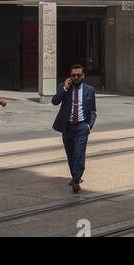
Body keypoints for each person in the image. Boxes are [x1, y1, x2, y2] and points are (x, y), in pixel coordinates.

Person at [52, 63, 97, 193]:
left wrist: (90, 125)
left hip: (82, 125)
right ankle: (74, 176)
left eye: (78, 75)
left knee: (79, 153)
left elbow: (93, 110)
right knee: (70, 154)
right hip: (67, 126)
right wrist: (65, 88)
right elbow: (55, 101)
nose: (76, 77)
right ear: (70, 76)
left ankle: (76, 179)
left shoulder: (89, 90)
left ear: (83, 76)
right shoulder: (64, 87)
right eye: (73, 75)